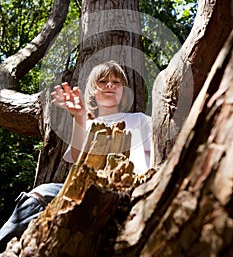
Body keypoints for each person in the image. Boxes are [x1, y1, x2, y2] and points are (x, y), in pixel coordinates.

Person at [0, 60, 152, 252]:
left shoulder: (140, 120)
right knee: (42, 192)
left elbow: (160, 152)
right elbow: (77, 156)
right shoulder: (88, 124)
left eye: (116, 82)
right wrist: (79, 117)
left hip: (132, 188)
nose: (110, 85)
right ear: (93, 91)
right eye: (103, 81)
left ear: (123, 91)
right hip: (86, 191)